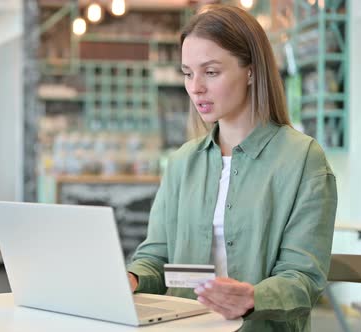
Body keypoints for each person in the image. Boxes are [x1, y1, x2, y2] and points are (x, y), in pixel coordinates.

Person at [126, 4, 337, 332]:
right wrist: (132, 278)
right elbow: (156, 258)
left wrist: (254, 297)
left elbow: (303, 278)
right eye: (187, 73)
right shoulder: (183, 162)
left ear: (251, 71)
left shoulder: (303, 160)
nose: (196, 87)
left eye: (210, 72)